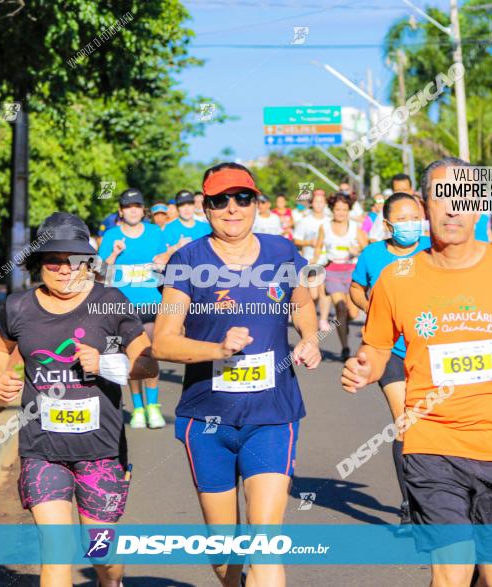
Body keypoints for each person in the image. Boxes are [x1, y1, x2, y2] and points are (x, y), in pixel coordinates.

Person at [342, 157, 492, 587]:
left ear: (479, 205)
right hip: (432, 444)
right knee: (451, 574)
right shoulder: (396, 278)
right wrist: (361, 369)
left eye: (464, 197)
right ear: (426, 207)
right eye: (441, 197)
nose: (452, 208)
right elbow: (376, 346)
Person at [153, 162, 321, 587]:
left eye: (242, 198)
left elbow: (301, 303)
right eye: (220, 200)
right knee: (223, 550)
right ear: (205, 207)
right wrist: (218, 350)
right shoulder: (187, 261)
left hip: (272, 414)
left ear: (256, 204)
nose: (233, 208)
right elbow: (164, 342)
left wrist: (311, 338)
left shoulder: (282, 252)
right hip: (207, 418)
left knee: (266, 542)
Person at [0, 212, 158, 587]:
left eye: (76, 260)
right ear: (39, 263)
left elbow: (148, 364)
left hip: (102, 451)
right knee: (56, 553)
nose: (66, 270)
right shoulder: (18, 307)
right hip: (41, 449)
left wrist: (107, 362)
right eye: (55, 261)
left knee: (103, 555)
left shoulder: (110, 301)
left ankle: (110, 582)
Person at [349, 192, 431, 527]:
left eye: (415, 217)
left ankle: (442, 495)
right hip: (390, 352)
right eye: (403, 219)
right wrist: (374, 311)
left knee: (434, 425)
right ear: (387, 224)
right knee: (406, 424)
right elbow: (356, 288)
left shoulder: (433, 249)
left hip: (431, 351)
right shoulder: (373, 254)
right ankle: (409, 504)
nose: (410, 224)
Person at [98, 188, 169, 429]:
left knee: (149, 354)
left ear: (143, 210)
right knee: (130, 358)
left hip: (151, 303)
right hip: (123, 306)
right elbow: (101, 274)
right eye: (128, 207)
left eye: (137, 206)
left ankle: (153, 406)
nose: (133, 210)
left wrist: (163, 261)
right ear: (121, 211)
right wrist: (115, 254)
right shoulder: (111, 236)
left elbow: (165, 259)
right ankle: (137, 407)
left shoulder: (154, 232)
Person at [314, 192, 368, 360]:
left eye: (344, 209)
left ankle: (345, 323)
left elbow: (366, 247)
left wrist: (357, 250)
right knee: (340, 307)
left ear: (349, 210)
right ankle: (345, 347)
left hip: (352, 272)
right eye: (338, 209)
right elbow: (318, 246)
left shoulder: (354, 227)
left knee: (352, 313)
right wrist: (314, 261)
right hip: (332, 271)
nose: (341, 213)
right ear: (332, 210)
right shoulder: (324, 226)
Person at [293, 188, 333, 331]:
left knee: (326, 291)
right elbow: (296, 240)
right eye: (316, 201)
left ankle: (323, 319)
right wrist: (308, 243)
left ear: (325, 204)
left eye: (321, 202)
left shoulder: (330, 220)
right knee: (313, 294)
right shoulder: (304, 221)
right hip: (310, 261)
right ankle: (309, 314)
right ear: (311, 203)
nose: (319, 204)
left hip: (328, 260)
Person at [162, 190, 212, 254]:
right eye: (182, 205)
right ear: (177, 208)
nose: (186, 209)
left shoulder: (206, 227)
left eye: (189, 204)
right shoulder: (168, 229)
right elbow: (160, 256)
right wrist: (176, 247)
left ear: (194, 206)